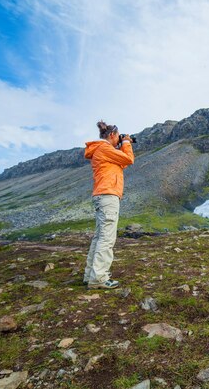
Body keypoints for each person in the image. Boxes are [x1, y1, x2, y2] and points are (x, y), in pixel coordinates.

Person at [83, 120, 135, 289]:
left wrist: (121, 144)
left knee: (99, 237)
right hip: (108, 195)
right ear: (112, 135)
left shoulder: (103, 150)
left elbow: (122, 163)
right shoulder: (105, 148)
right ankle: (98, 278)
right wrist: (126, 143)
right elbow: (129, 159)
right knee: (107, 238)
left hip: (102, 195)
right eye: (118, 136)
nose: (119, 139)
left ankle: (90, 274)